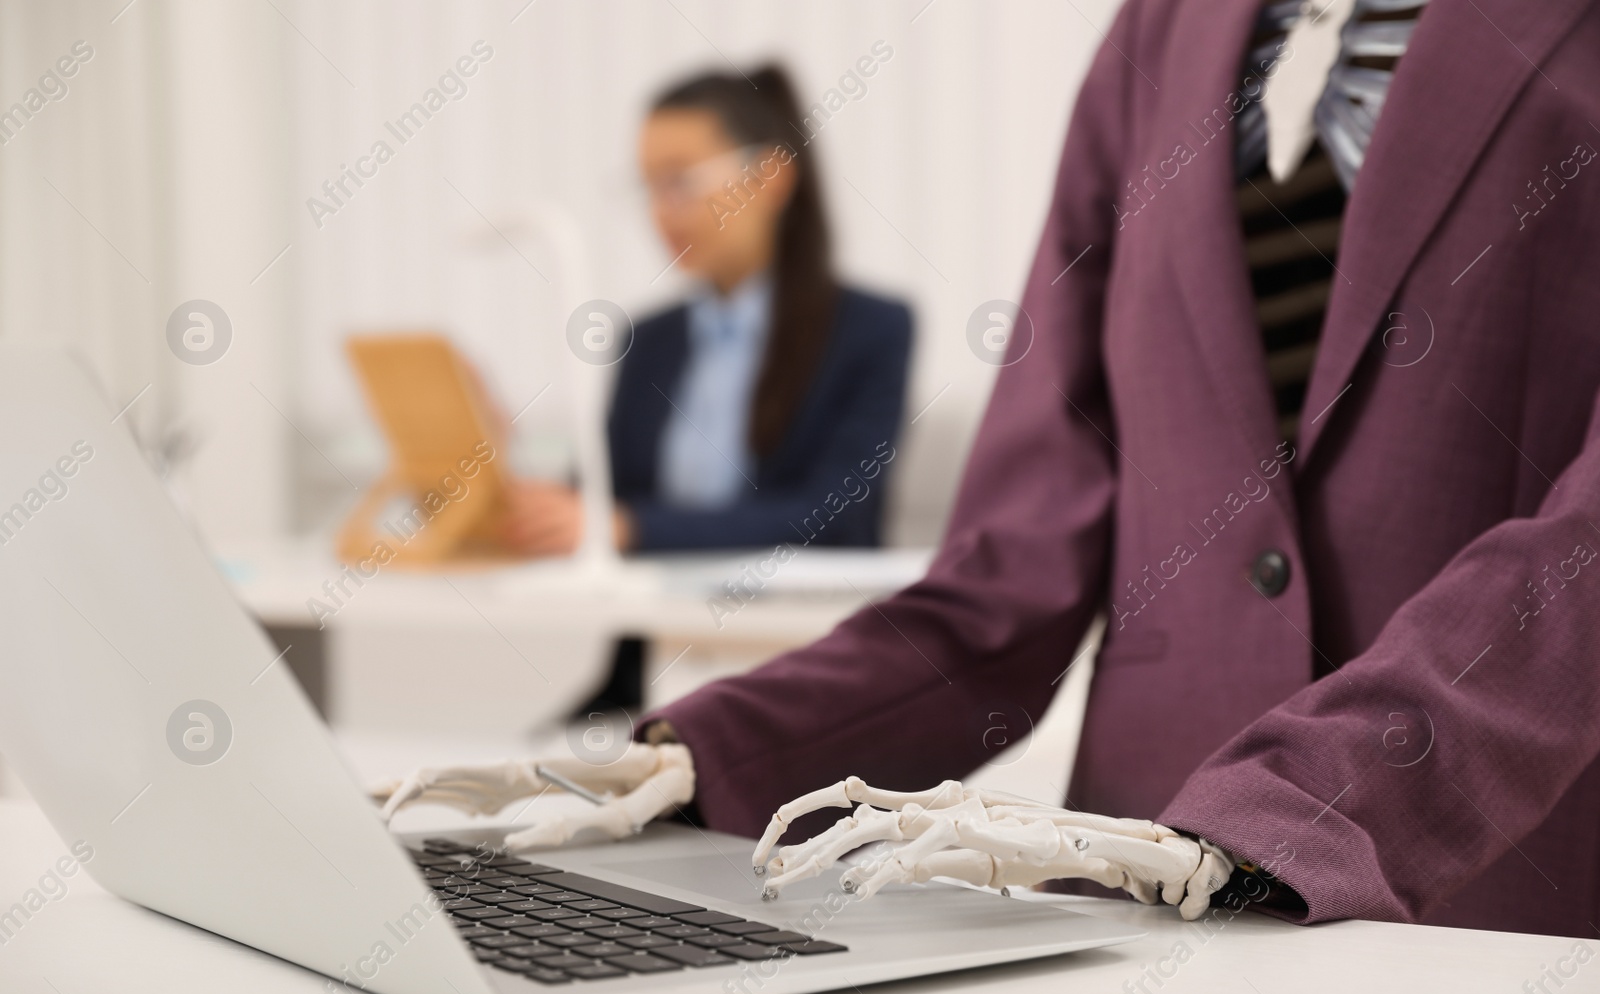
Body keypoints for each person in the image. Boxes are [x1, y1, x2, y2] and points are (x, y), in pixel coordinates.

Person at [385, 0, 1600, 939]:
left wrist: (1292, 807)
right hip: (1130, 876)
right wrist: (712, 753)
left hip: (1489, 888)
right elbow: (1012, 568)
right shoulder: (1159, 36)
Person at [498, 65, 913, 557]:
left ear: (770, 179)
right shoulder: (649, 340)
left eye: (679, 181)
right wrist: (501, 455)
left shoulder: (870, 330)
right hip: (663, 624)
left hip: (803, 625)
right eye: (649, 186)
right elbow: (599, 500)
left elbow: (830, 514)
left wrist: (634, 529)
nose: (660, 211)